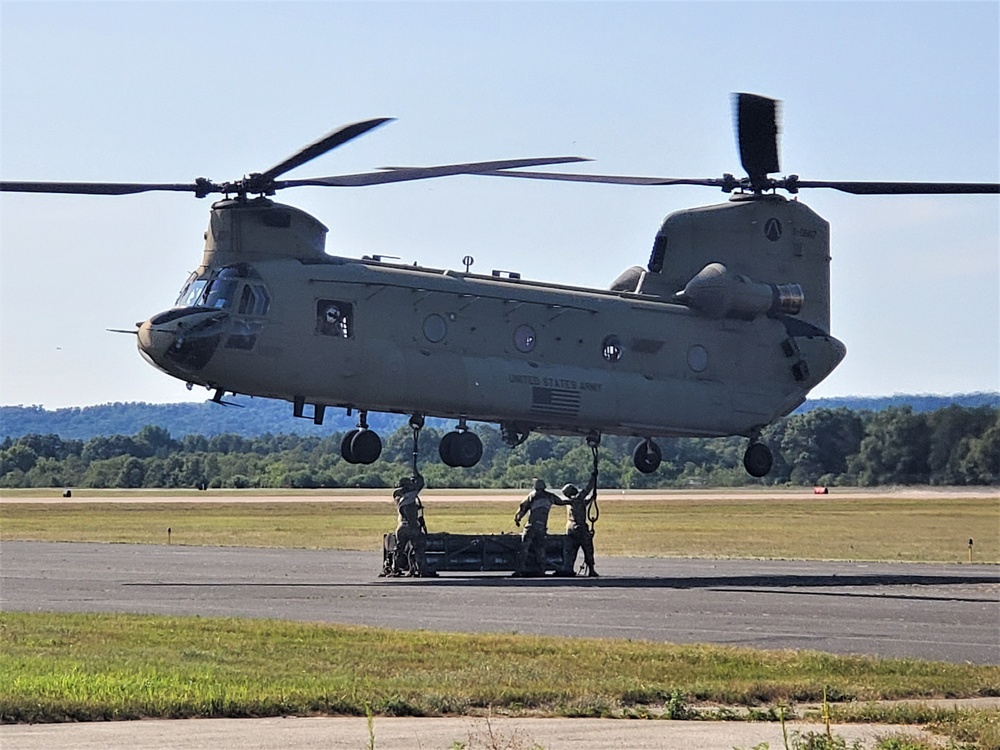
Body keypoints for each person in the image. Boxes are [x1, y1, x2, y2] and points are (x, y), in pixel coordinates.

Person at [390, 473, 435, 577]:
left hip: (401, 527)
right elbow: (420, 485)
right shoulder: (408, 498)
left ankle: (395, 568)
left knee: (399, 549)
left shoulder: (399, 498)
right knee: (418, 548)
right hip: (411, 527)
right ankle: (421, 570)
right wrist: (417, 475)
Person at [513, 477, 559, 576]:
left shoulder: (533, 495)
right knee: (540, 549)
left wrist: (517, 518)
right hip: (542, 526)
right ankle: (542, 570)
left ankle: (520, 570)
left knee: (524, 548)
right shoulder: (550, 496)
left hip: (531, 526)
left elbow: (523, 508)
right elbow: (561, 502)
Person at [559, 478, 599, 577]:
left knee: (572, 549)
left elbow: (584, 504)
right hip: (579, 527)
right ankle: (591, 569)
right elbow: (587, 489)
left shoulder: (572, 501)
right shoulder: (577, 499)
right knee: (588, 548)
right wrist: (593, 478)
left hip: (570, 527)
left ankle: (569, 569)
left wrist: (591, 499)